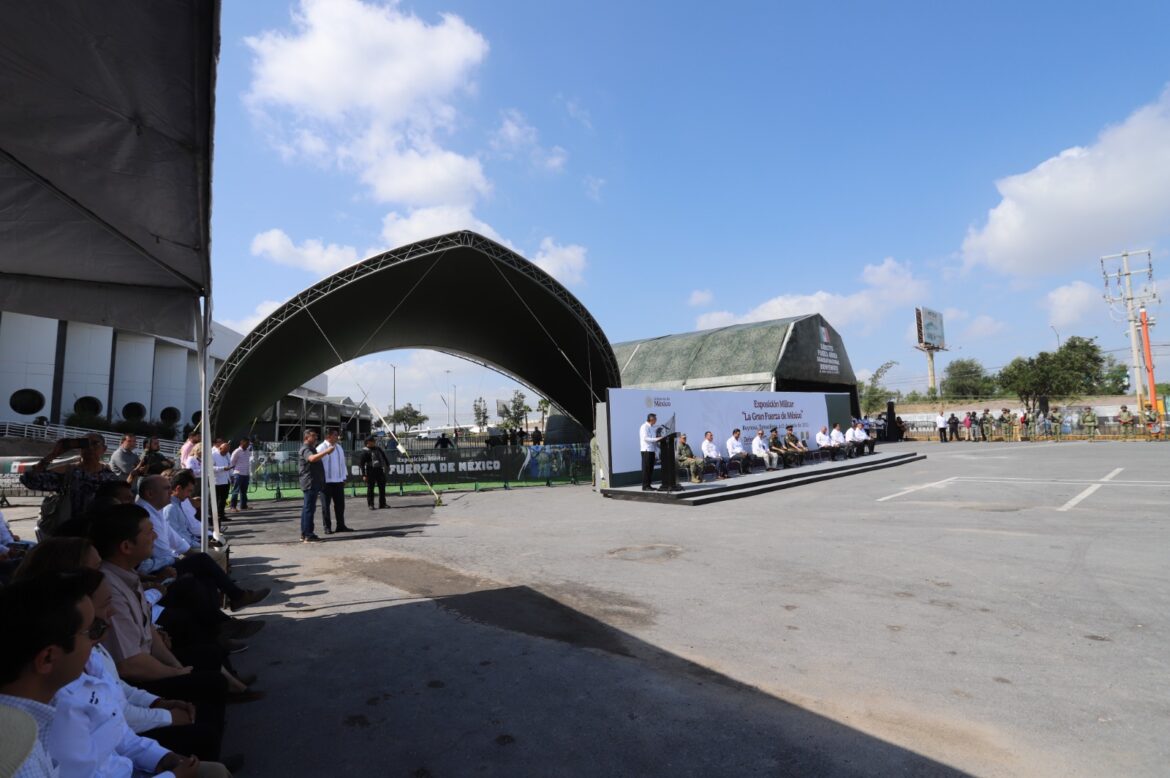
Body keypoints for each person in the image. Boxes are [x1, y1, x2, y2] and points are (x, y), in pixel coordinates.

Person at [0, 571, 105, 778]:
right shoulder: (20, 765)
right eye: (91, 631)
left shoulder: (37, 712)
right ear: (47, 658)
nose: (96, 641)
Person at [21, 433, 134, 528]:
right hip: (72, 531)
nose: (89, 448)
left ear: (104, 449)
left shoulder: (110, 477)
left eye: (94, 444)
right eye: (85, 444)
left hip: (101, 532)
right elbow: (30, 480)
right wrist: (53, 454)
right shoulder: (68, 473)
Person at [317, 429, 352, 535]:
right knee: (325, 506)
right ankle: (327, 527)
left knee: (340, 505)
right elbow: (317, 464)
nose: (338, 436)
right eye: (335, 435)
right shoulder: (321, 447)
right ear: (328, 436)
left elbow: (342, 463)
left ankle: (341, 525)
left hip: (338, 481)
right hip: (326, 482)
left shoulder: (339, 447)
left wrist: (344, 477)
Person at [299, 431, 329, 542]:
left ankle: (304, 533)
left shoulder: (311, 448)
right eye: (314, 436)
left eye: (316, 435)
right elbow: (311, 459)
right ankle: (308, 534)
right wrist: (326, 451)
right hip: (310, 482)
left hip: (313, 482)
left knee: (308, 508)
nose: (316, 437)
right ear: (307, 437)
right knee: (309, 509)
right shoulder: (306, 449)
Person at [359, 437, 390, 509]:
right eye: (372, 441)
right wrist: (364, 475)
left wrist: (387, 465)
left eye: (374, 440)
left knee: (382, 488)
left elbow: (384, 457)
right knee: (370, 488)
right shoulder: (365, 451)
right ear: (368, 442)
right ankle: (371, 504)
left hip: (379, 470)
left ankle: (382, 504)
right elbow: (362, 464)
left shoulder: (378, 449)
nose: (374, 442)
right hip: (370, 471)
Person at [210, 440, 232, 524]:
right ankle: (216, 516)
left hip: (226, 480)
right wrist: (222, 468)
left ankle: (221, 515)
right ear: (220, 448)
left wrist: (231, 475)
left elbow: (229, 465)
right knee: (217, 500)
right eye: (225, 451)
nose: (226, 452)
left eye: (227, 451)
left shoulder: (226, 455)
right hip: (217, 481)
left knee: (223, 499)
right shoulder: (213, 455)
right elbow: (210, 467)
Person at [227, 439, 251, 513]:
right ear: (241, 443)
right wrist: (233, 473)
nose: (248, 445)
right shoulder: (237, 451)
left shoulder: (247, 451)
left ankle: (243, 506)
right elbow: (232, 463)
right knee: (236, 491)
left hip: (246, 474)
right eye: (246, 443)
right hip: (238, 473)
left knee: (244, 491)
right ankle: (233, 506)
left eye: (248, 444)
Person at [638, 413, 661, 491]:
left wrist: (655, 451)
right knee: (646, 469)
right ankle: (645, 486)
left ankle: (649, 485)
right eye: (655, 419)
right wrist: (657, 439)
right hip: (646, 450)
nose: (656, 420)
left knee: (650, 469)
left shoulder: (651, 427)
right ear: (651, 419)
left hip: (651, 451)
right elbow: (645, 438)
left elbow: (653, 439)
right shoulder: (644, 427)